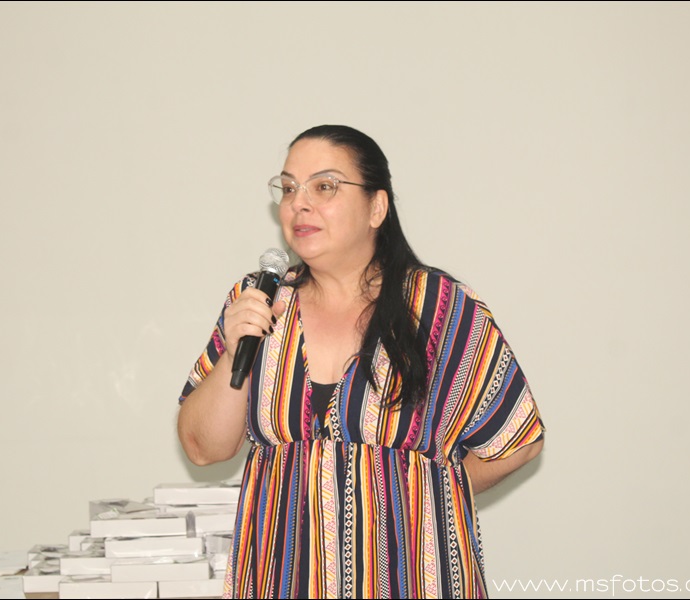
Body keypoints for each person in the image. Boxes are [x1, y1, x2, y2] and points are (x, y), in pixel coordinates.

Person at [177, 125, 545, 599]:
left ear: (376, 207)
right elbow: (203, 448)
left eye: (324, 187)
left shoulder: (440, 307)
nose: (298, 204)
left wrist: (427, 495)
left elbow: (518, 441)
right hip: (280, 579)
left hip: (411, 581)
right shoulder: (258, 300)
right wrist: (234, 352)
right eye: (288, 189)